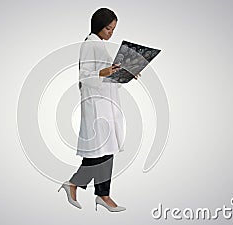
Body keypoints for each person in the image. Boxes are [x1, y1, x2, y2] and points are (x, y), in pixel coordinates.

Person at [57, 8, 140, 212]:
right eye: (108, 28)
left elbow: (106, 77)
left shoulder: (99, 45)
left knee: (103, 151)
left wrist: (124, 74)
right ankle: (99, 194)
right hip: (96, 105)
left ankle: (81, 187)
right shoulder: (90, 43)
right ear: (98, 25)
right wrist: (105, 71)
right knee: (102, 152)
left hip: (107, 102)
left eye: (113, 29)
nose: (111, 32)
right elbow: (85, 76)